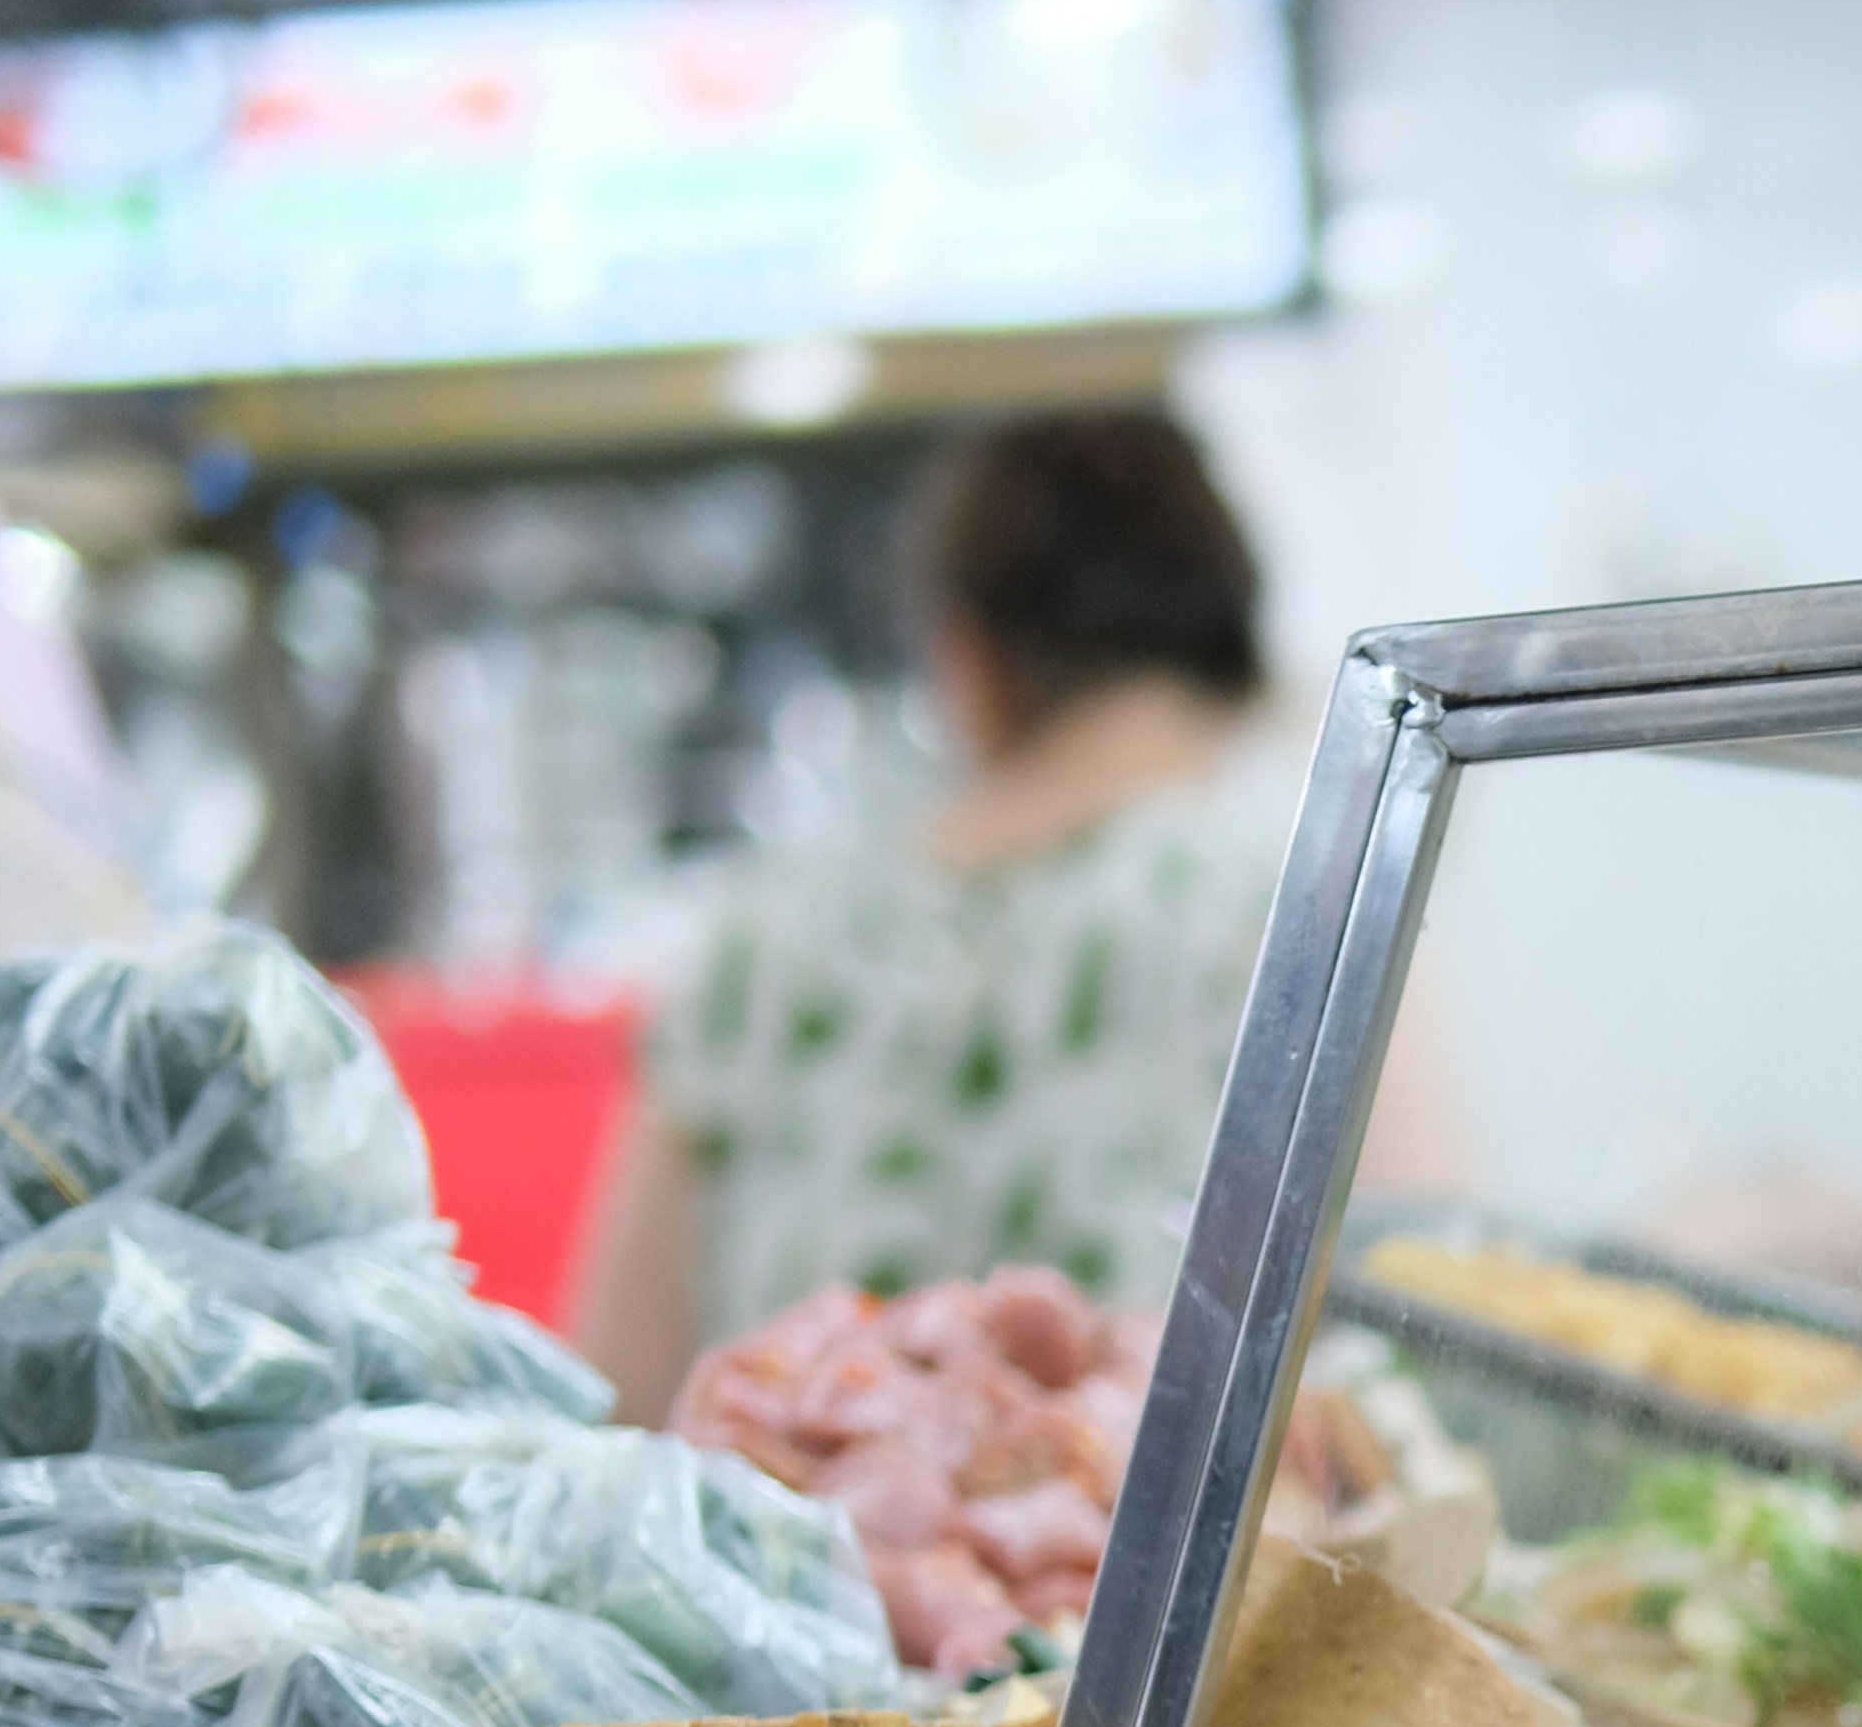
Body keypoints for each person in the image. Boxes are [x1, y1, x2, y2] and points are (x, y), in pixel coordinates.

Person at [566, 409, 1427, 1417]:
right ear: (1237, 650)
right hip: (1163, 1576)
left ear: (965, 658)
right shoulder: (1305, 909)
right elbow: (1412, 1352)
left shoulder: (757, 942)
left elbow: (617, 1387)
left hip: (793, 1569)